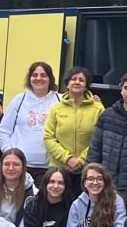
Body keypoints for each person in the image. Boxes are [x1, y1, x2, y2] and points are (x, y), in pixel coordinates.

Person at [44, 65, 105, 193]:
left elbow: (99, 139)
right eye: (73, 79)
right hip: (59, 169)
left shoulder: (98, 109)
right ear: (67, 84)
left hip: (88, 170)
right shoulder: (56, 109)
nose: (77, 82)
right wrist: (67, 159)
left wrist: (81, 160)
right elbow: (48, 138)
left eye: (81, 80)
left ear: (86, 85)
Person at [88, 68, 127, 193]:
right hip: (105, 183)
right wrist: (92, 175)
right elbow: (95, 149)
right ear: (121, 90)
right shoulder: (107, 115)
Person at [0, 61, 58, 173]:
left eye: (43, 75)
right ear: (29, 78)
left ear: (50, 79)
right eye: (34, 75)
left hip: (50, 167)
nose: (38, 78)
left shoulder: (60, 100)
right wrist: (10, 154)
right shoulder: (18, 100)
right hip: (20, 167)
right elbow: (3, 131)